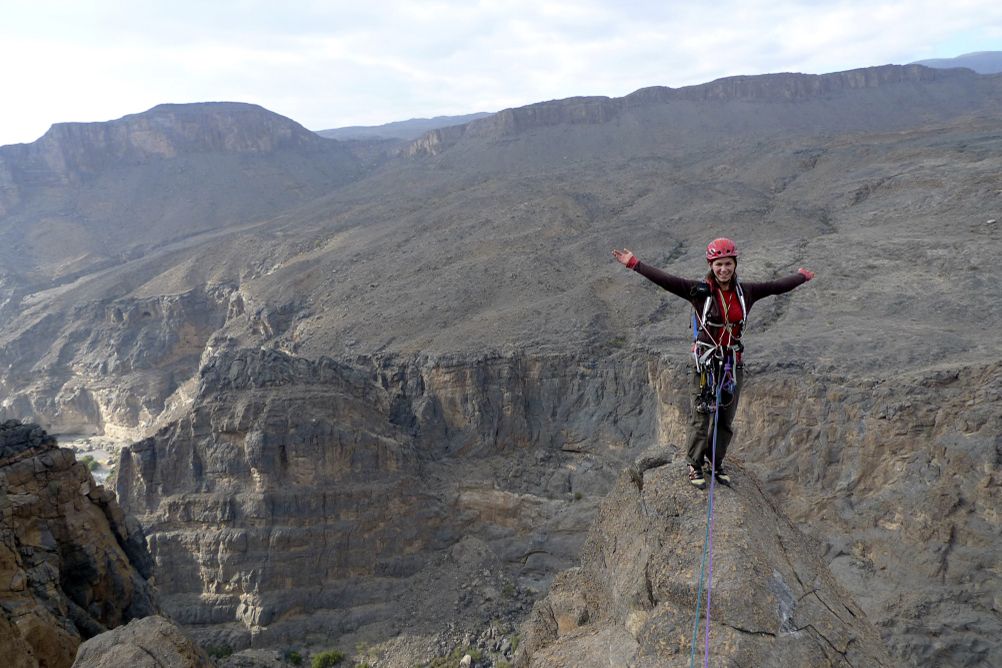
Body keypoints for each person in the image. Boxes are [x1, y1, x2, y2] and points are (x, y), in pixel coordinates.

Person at [612, 238, 814, 489]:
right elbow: (666, 280)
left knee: (725, 418)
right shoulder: (699, 292)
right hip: (706, 365)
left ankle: (715, 462)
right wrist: (634, 263)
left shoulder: (745, 293)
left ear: (734, 264)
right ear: (711, 265)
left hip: (731, 364)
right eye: (718, 264)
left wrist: (801, 277)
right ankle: (694, 463)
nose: (723, 269)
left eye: (728, 263)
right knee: (702, 416)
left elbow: (775, 287)